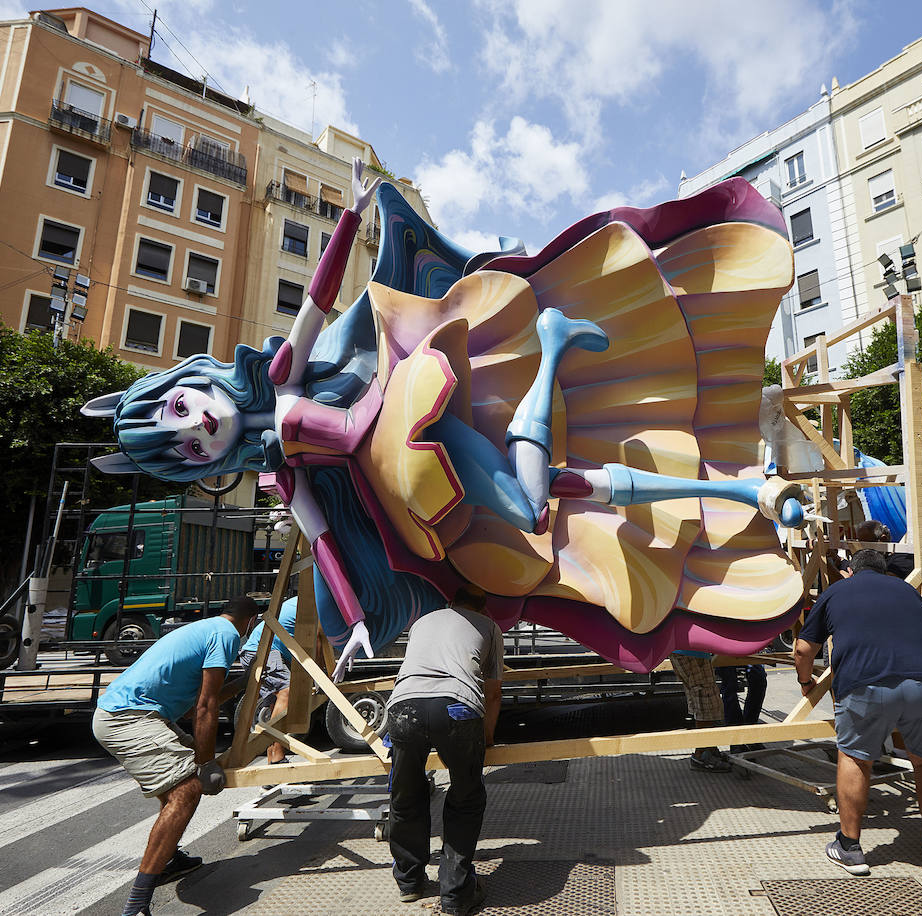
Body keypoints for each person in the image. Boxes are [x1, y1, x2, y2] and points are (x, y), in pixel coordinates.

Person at [81, 171, 812, 679]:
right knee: (539, 499)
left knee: (534, 502)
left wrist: (352, 213)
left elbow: (319, 296)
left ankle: (558, 353)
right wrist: (356, 620)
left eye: (180, 409)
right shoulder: (283, 471)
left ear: (188, 383)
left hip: (408, 406)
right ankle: (734, 493)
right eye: (183, 444)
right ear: (193, 464)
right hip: (413, 480)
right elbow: (328, 542)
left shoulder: (282, 379)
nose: (199, 423)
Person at [794, 549, 922, 884]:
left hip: (866, 683)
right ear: (886, 572)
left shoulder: (836, 590)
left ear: (851, 571)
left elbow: (803, 649)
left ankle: (850, 848)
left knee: (855, 758)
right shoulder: (908, 592)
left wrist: (806, 681)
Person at [92, 596, 260, 916]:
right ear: (250, 621)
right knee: (186, 789)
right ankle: (137, 903)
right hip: (127, 717)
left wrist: (244, 682)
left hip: (135, 714)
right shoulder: (225, 635)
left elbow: (204, 696)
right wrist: (206, 762)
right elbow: (206, 707)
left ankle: (168, 859)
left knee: (177, 780)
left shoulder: (207, 627)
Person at [385, 586, 503, 916]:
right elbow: (493, 693)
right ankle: (456, 894)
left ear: (450, 600)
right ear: (485, 607)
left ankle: (409, 882)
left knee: (406, 795)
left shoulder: (423, 621)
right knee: (465, 799)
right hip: (456, 708)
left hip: (402, 708)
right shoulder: (489, 627)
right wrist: (487, 738)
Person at [235, 595, 299, 764]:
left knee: (275, 702)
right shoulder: (312, 604)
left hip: (255, 651)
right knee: (288, 691)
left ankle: (273, 758)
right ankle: (277, 756)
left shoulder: (301, 601)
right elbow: (318, 642)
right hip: (263, 650)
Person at [672, 651, 731, 771]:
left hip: (691, 651)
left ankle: (708, 748)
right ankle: (702, 752)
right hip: (691, 651)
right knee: (704, 696)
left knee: (703, 694)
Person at [717, 659, 767, 752]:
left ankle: (750, 729)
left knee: (759, 678)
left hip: (746, 652)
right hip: (723, 653)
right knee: (729, 684)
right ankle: (736, 738)